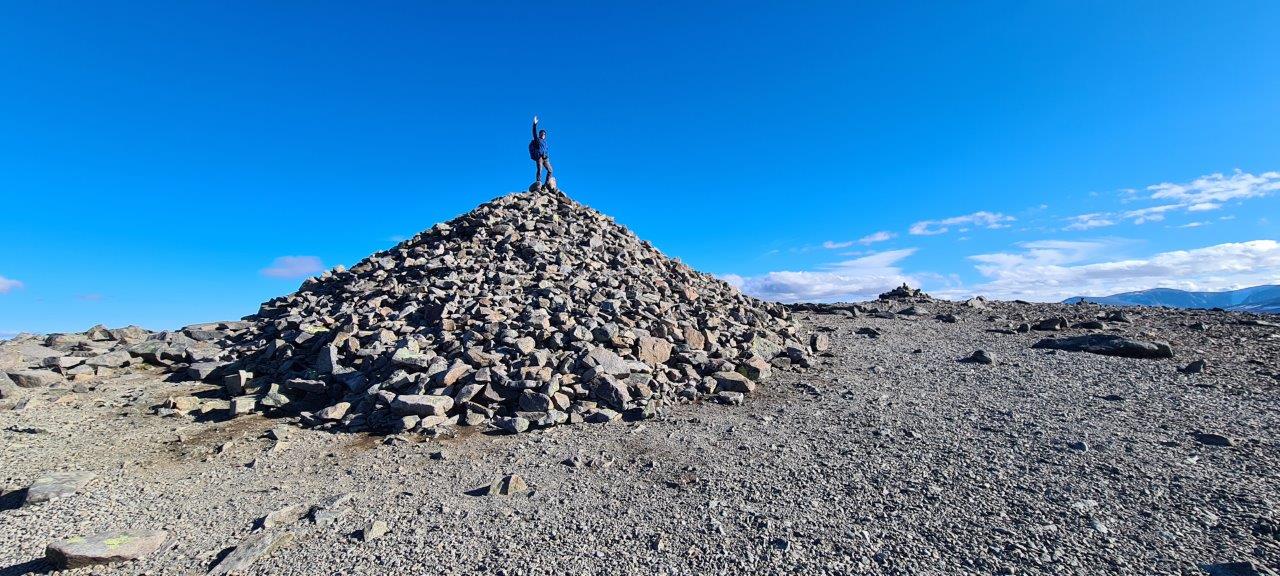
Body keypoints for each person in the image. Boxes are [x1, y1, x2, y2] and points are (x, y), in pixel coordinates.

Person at [529, 115, 553, 188]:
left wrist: (547, 155)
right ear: (540, 134)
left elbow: (546, 149)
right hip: (539, 157)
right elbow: (534, 133)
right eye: (542, 134)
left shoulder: (545, 142)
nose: (543, 135)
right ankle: (538, 183)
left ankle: (545, 184)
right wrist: (534, 124)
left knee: (550, 170)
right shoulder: (537, 140)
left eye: (544, 134)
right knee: (540, 169)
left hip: (545, 157)